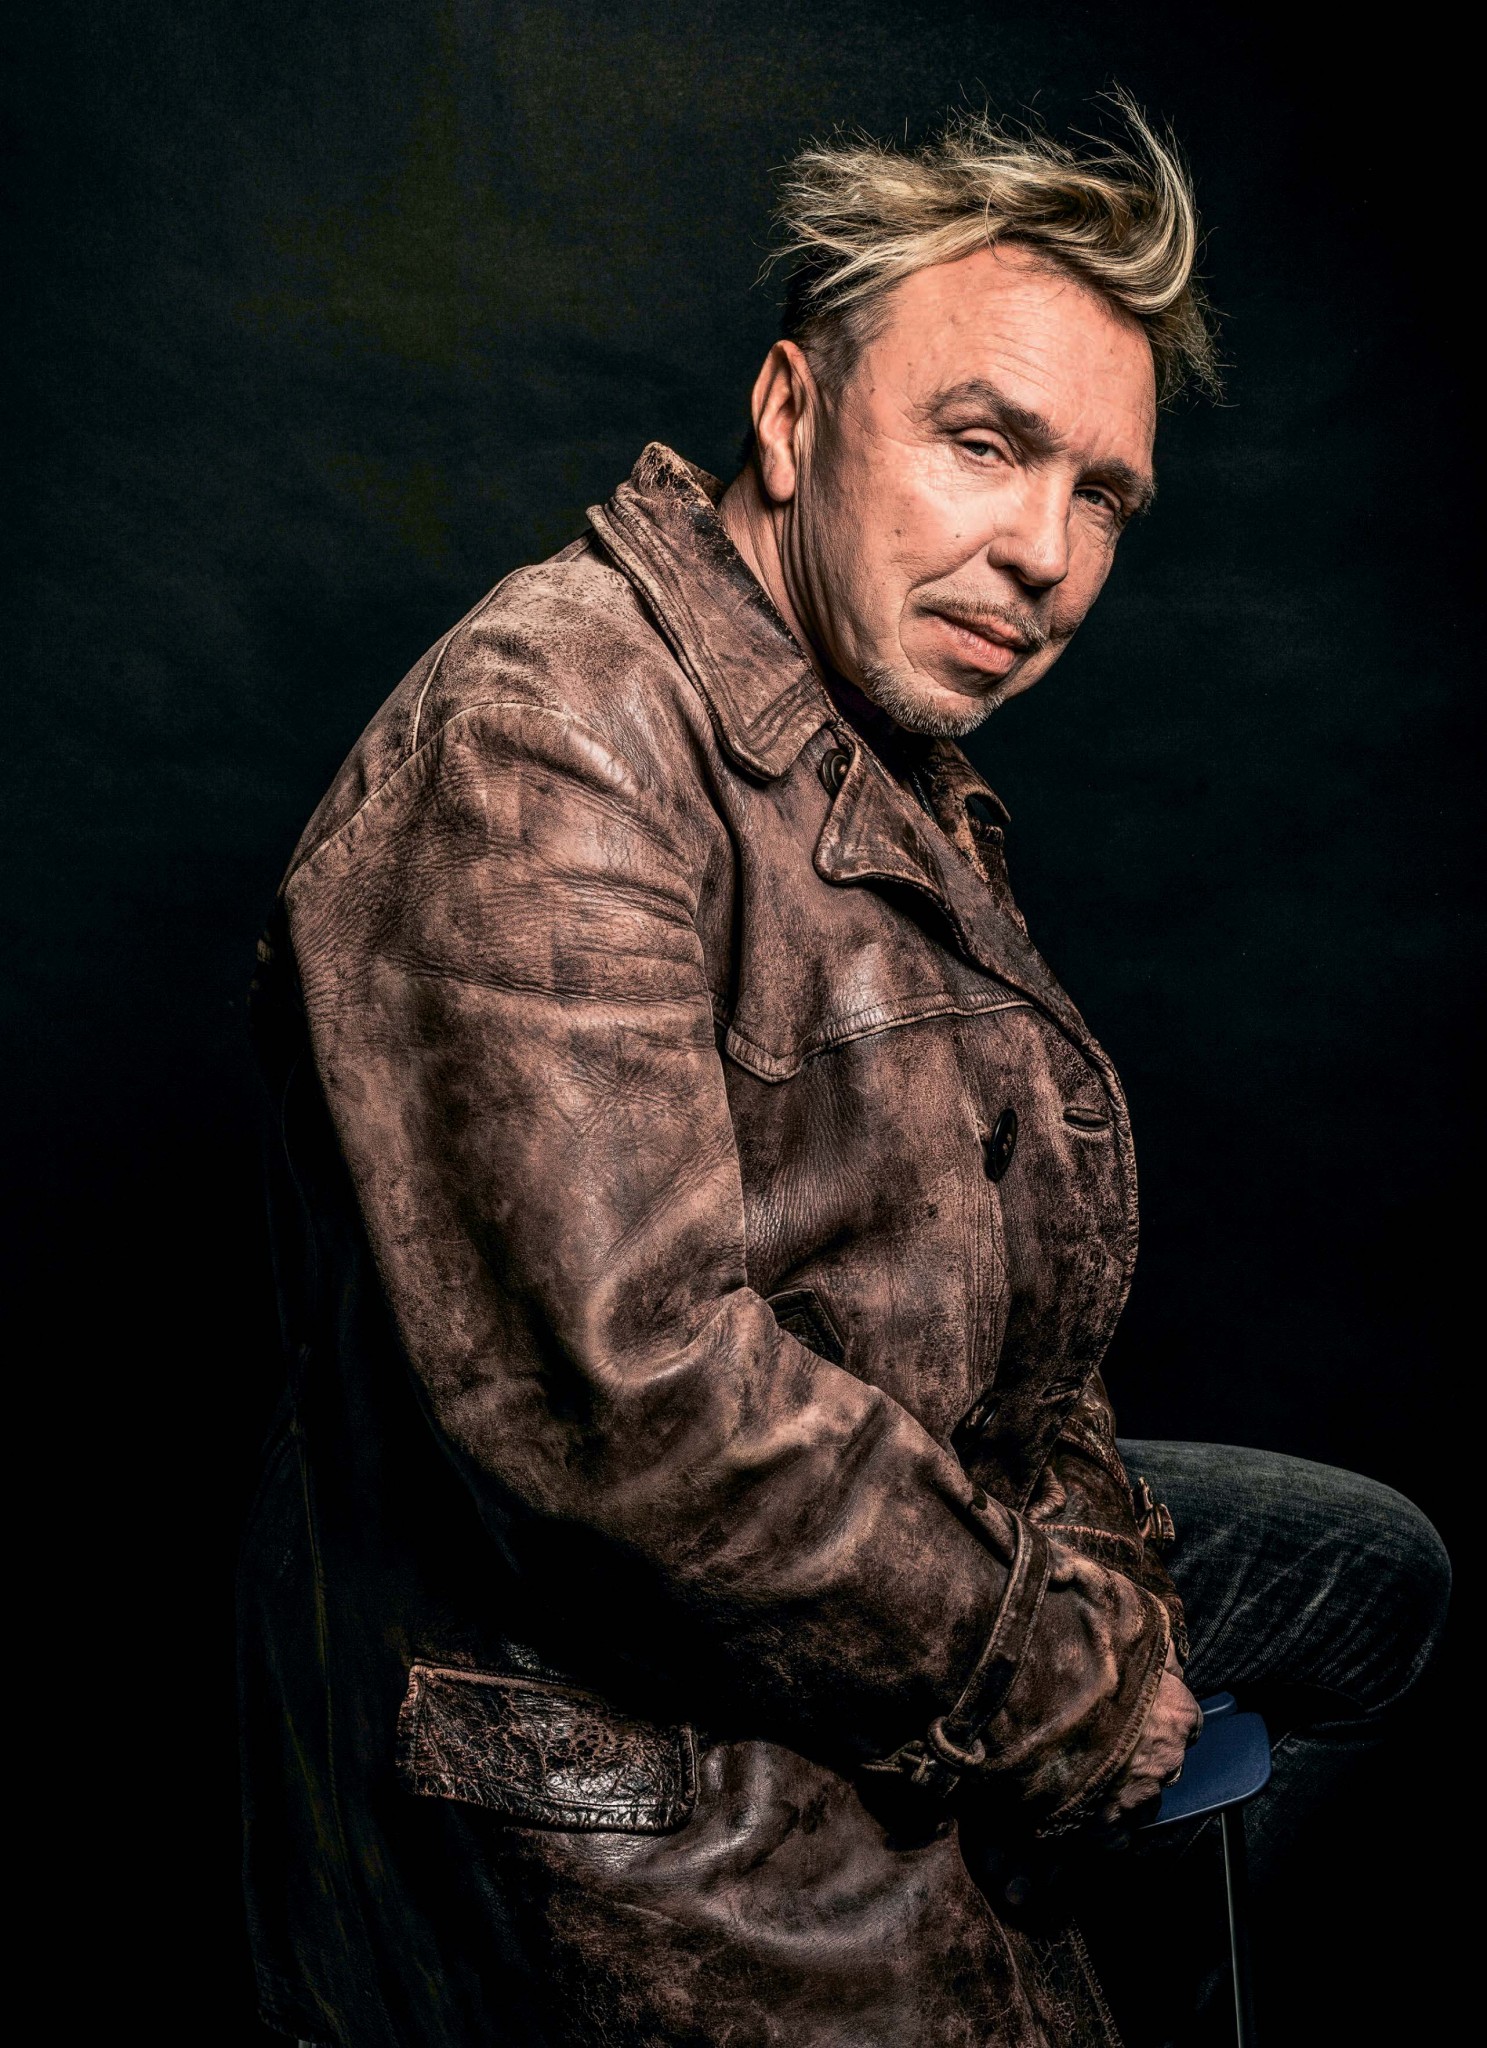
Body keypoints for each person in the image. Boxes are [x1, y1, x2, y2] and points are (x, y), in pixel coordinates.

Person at [241, 104, 1449, 2047]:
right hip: (601, 1735)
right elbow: (637, 1409)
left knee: (1373, 1581)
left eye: (1104, 496)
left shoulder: (867, 741)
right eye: (983, 443)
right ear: (793, 416)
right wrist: (1072, 1678)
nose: (1043, 556)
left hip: (895, 1500)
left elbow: (1017, 1288)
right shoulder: (546, 744)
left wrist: (1096, 1562)